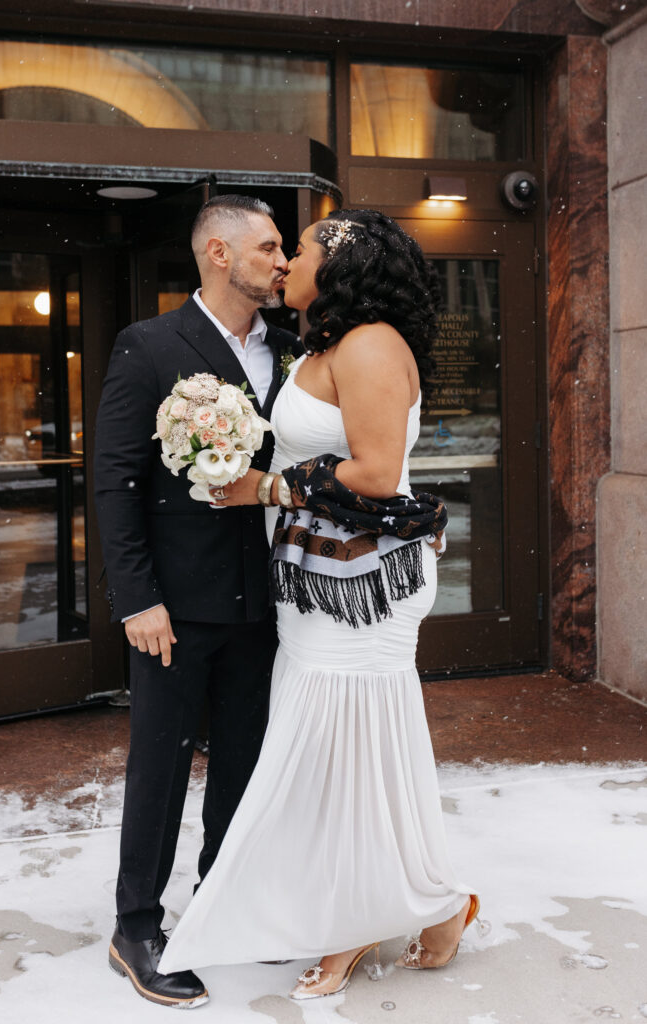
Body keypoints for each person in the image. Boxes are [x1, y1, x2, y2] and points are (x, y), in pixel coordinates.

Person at [157, 209, 479, 1000]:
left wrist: (263, 488)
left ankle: (357, 919)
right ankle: (431, 902)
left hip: (362, 588)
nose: (284, 261)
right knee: (343, 751)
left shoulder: (369, 345)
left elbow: (375, 473)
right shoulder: (324, 345)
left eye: (296, 250)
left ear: (338, 266)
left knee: (349, 749)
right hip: (317, 582)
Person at [93, 194, 302, 1009]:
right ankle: (136, 926)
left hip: (269, 603)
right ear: (219, 252)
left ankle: (223, 900)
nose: (282, 261)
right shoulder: (149, 345)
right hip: (174, 608)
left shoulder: (290, 350)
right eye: (269, 247)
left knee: (245, 765)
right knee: (161, 764)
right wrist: (136, 598)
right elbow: (115, 480)